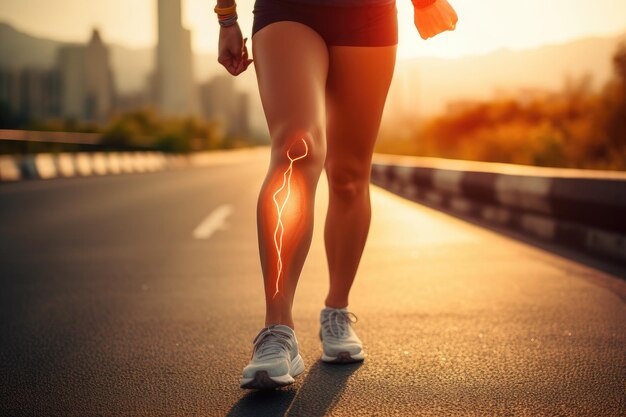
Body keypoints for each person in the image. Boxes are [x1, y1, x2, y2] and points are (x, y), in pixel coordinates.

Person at [214, 0, 458, 389]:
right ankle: (278, 330)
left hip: (368, 14)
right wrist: (227, 16)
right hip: (287, 10)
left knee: (348, 175)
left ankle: (337, 310)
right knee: (297, 147)